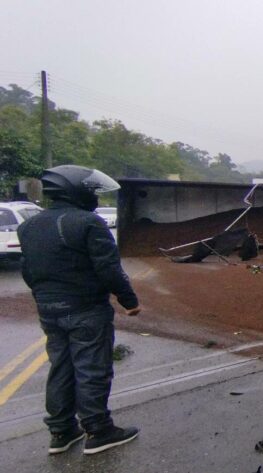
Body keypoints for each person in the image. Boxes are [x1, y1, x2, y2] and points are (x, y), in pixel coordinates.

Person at [18, 165, 141, 455]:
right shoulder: (88, 223)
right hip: (86, 309)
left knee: (61, 367)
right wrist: (129, 301)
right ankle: (99, 430)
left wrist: (45, 298)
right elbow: (108, 268)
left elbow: (28, 271)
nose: (95, 197)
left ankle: (61, 431)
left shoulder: (29, 226)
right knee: (92, 368)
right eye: (91, 191)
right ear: (76, 191)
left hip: (49, 311)